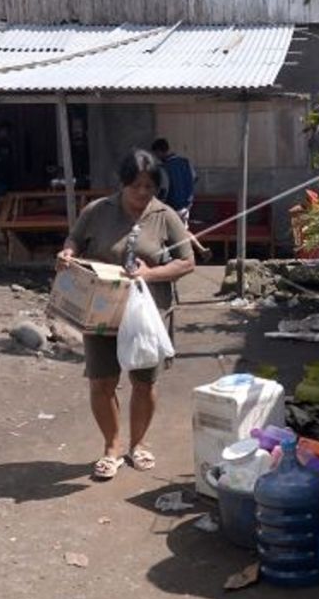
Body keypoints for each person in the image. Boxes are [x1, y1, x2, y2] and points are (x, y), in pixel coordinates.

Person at [57, 149, 195, 481]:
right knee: (102, 381)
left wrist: (150, 274)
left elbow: (187, 261)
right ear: (123, 184)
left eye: (150, 187)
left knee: (144, 382)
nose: (143, 194)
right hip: (101, 310)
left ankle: (140, 444)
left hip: (147, 314)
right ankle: (112, 447)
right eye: (136, 186)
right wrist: (68, 253)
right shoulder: (97, 211)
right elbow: (75, 239)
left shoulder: (165, 216)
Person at [150, 138, 211, 261]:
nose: (156, 157)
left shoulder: (163, 168)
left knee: (163, 232)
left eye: (156, 154)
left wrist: (156, 204)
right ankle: (201, 249)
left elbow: (163, 189)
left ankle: (176, 257)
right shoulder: (185, 162)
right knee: (182, 230)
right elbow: (194, 178)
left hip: (171, 205)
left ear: (159, 151)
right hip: (186, 204)